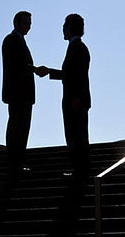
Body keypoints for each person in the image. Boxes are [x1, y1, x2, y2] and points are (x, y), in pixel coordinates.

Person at [34, 14, 91, 181]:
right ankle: (79, 169)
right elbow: (70, 74)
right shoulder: (76, 47)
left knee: (76, 135)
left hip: (75, 100)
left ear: (71, 27)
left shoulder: (78, 48)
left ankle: (81, 171)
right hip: (74, 99)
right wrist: (50, 72)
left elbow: (79, 75)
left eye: (65, 26)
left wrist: (77, 98)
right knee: (75, 135)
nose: (62, 29)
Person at [2, 11, 40, 176]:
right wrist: (34, 69)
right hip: (18, 93)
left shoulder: (19, 41)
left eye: (30, 23)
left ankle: (18, 161)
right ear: (17, 23)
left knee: (22, 128)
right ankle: (14, 162)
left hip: (23, 94)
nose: (28, 26)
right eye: (26, 23)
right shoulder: (11, 40)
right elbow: (17, 66)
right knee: (17, 128)